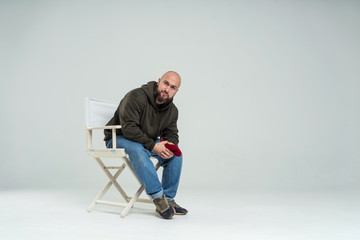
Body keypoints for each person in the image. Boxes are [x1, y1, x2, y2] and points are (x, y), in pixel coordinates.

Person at [104, 71, 187, 219]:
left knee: (176, 155)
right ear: (159, 81)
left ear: (176, 91)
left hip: (145, 140)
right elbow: (129, 128)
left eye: (173, 87)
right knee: (137, 150)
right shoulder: (136, 96)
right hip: (119, 137)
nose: (167, 89)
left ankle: (168, 199)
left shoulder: (172, 111)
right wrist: (153, 146)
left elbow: (171, 134)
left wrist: (169, 145)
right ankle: (159, 199)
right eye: (166, 83)